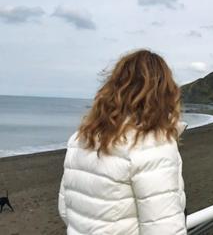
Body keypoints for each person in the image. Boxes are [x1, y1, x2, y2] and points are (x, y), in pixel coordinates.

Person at [58, 50, 187, 234]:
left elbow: (65, 209)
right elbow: (163, 228)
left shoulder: (81, 138)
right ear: (165, 93)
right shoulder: (152, 144)